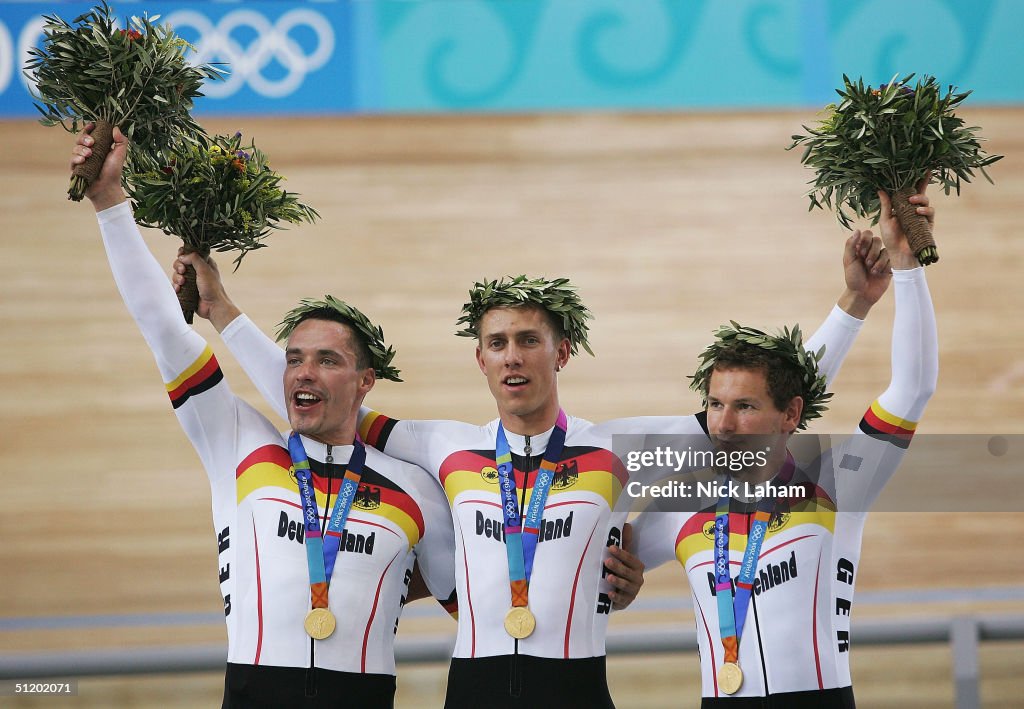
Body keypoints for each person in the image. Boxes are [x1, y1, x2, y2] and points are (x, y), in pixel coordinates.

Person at [179, 223, 890, 707]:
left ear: (562, 353)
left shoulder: (615, 449)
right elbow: (315, 392)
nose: (513, 354)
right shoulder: (441, 445)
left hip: (580, 691)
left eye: (528, 339)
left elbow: (759, 408)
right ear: (480, 357)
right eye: (497, 341)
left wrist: (854, 306)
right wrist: (224, 312)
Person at [71, 124, 457, 708]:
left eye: (327, 361)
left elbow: (478, 594)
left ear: (364, 383)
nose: (304, 372)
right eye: (294, 359)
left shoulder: (415, 491)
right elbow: (165, 332)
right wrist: (109, 203)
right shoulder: (238, 442)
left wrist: (619, 571)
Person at [630, 184, 937, 707]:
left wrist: (907, 267)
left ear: (791, 415)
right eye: (714, 405)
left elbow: (913, 388)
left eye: (745, 407)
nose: (723, 424)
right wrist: (614, 586)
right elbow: (607, 570)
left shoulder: (838, 482)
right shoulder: (674, 506)